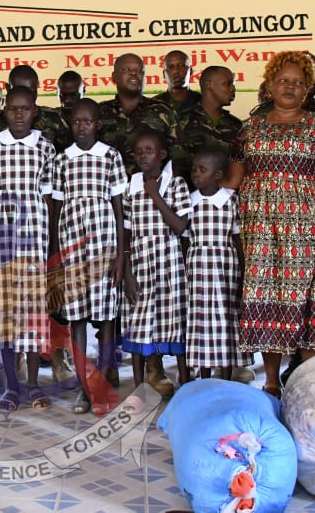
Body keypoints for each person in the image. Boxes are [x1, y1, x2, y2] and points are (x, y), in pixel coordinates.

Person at [229, 51, 315, 396]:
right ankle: (270, 381)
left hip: (310, 236)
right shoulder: (248, 129)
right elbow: (233, 181)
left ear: (308, 90)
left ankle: (308, 382)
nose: (290, 87)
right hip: (262, 236)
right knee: (267, 300)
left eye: (299, 83)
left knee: (312, 306)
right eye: (284, 80)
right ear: (269, 83)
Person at [98, 52, 186, 395]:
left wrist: (158, 192)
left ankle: (154, 366)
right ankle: (110, 366)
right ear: (114, 75)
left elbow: (176, 156)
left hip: (156, 211)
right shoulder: (102, 113)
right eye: (127, 70)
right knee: (120, 297)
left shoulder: (161, 111)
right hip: (112, 209)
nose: (134, 75)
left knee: (161, 306)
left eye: (139, 71)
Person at [52, 98, 127, 414]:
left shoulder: (110, 156)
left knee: (107, 317)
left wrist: (121, 254)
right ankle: (85, 387)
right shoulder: (61, 160)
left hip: (104, 249)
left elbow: (119, 208)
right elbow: (55, 207)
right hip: (73, 250)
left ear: (98, 124)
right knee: (77, 318)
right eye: (76, 122)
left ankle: (103, 383)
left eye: (88, 121)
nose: (81, 127)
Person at [0, 87, 56, 412]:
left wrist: (52, 242)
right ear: (4, 111)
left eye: (25, 109)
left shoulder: (45, 147)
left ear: (34, 111)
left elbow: (51, 198)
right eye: (13, 109)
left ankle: (33, 383)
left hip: (34, 237)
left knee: (33, 313)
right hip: (1, 239)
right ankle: (11, 385)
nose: (18, 115)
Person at [121, 130, 190, 390]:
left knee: (173, 321)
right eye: (138, 152)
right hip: (140, 264)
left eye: (149, 151)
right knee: (139, 321)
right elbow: (126, 231)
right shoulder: (131, 185)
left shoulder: (176, 183)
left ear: (161, 155)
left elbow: (181, 227)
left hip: (169, 265)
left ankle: (184, 382)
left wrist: (155, 195)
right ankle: (139, 386)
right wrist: (127, 271)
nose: (143, 156)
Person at [184, 144, 246, 380]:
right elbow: (185, 240)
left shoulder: (230, 200)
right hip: (198, 268)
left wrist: (243, 272)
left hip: (224, 268)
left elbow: (238, 238)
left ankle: (226, 375)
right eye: (193, 169)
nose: (195, 174)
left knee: (225, 318)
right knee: (200, 320)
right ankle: (204, 376)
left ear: (218, 175)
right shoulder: (190, 201)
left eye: (202, 170)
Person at [180, 66, 242, 156]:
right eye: (227, 84)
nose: (233, 89)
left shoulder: (237, 125)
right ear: (209, 85)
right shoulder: (182, 122)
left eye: (233, 84)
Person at [152, 50, 201, 116]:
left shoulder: (204, 103)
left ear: (191, 71)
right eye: (170, 67)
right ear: (164, 74)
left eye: (181, 66)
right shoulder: (153, 105)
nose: (176, 71)